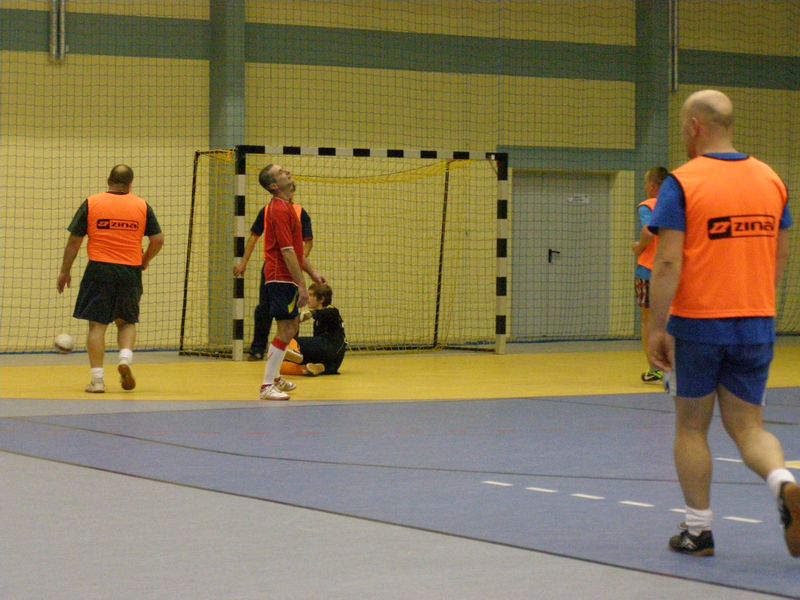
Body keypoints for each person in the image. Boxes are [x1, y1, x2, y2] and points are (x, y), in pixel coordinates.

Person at [648, 90, 798, 558]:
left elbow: (668, 261)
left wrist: (657, 326)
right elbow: (780, 254)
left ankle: (698, 531)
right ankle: (783, 481)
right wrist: (757, 303)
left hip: (698, 324)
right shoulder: (771, 179)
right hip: (756, 322)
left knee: (692, 428)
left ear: (695, 125)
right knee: (749, 427)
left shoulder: (684, 181)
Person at [56, 165, 164, 393]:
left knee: (97, 325)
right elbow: (158, 239)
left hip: (99, 270)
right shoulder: (142, 206)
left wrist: (65, 271)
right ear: (130, 184)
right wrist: (144, 260)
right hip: (130, 271)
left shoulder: (92, 203)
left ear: (109, 180)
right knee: (126, 321)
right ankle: (125, 358)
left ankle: (97, 381)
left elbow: (74, 241)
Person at [256, 164, 324, 400]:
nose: (287, 172)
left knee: (292, 324)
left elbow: (297, 251)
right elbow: (286, 251)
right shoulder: (278, 210)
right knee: (286, 327)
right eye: (281, 172)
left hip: (287, 277)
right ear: (274, 185)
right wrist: (302, 286)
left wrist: (313, 274)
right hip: (279, 276)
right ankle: (267, 386)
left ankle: (275, 378)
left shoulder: (288, 208)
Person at [234, 171, 314, 361]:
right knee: (267, 310)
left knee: (290, 319)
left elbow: (307, 242)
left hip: (290, 269)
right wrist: (243, 262)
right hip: (276, 270)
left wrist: (300, 265)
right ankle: (258, 350)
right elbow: (255, 236)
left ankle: (288, 352)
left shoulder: (299, 212)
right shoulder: (271, 209)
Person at [632, 166, 668, 383]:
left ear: (653, 186)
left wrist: (639, 247)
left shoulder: (648, 205)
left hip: (648, 270)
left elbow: (648, 230)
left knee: (648, 321)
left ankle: (655, 368)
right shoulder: (678, 204)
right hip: (672, 270)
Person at [279, 282, 347, 377]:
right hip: (331, 361)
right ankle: (313, 368)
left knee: (289, 341)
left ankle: (298, 355)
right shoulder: (318, 321)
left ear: (321, 299)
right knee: (282, 367)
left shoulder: (332, 311)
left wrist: (305, 315)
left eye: (311, 295)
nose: (308, 298)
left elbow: (323, 313)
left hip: (331, 348)